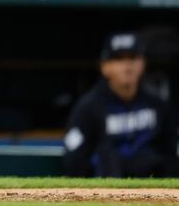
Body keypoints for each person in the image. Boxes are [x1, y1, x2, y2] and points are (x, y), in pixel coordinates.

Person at [63, 32, 179, 177]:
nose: (127, 65)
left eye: (132, 58)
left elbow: (171, 154)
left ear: (143, 64)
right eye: (119, 59)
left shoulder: (158, 105)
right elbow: (74, 160)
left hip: (152, 191)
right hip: (107, 190)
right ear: (105, 67)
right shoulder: (88, 108)